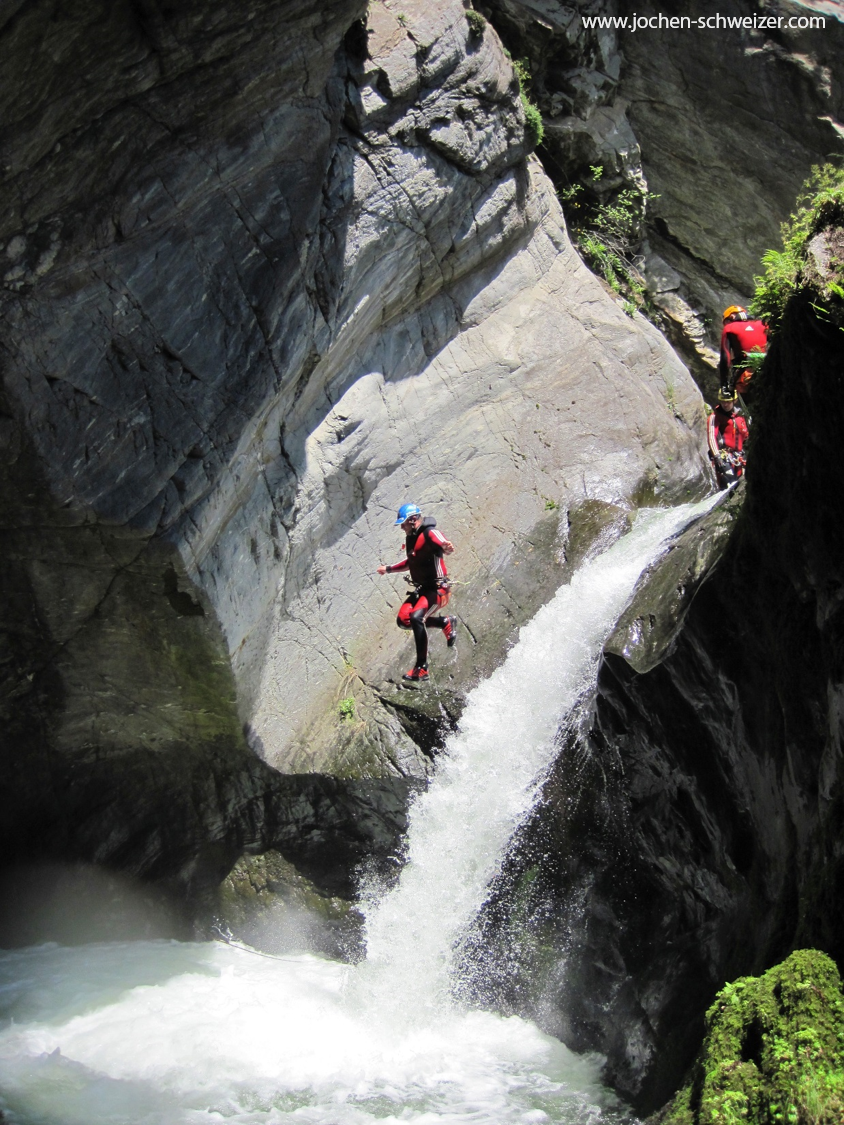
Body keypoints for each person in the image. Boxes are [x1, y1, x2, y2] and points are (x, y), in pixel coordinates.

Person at [377, 503, 457, 683]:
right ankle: (445, 622)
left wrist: (447, 548)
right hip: (423, 589)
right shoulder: (411, 538)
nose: (401, 527)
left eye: (403, 523)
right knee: (404, 620)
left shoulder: (430, 532)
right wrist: (388, 569)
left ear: (413, 520)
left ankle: (422, 668)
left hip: (438, 589)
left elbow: (443, 544)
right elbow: (411, 562)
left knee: (416, 617)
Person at [719, 305, 767, 396]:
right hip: (769, 369)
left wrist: (724, 384)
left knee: (750, 407)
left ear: (732, 316)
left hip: (746, 375)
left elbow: (725, 358)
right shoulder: (762, 324)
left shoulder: (729, 328)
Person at [707, 388, 749, 489]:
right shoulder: (715, 417)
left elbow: (746, 437)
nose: (725, 404)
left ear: (734, 401)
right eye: (723, 402)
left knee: (741, 486)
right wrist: (717, 457)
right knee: (729, 485)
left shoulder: (740, 416)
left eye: (728, 402)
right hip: (724, 458)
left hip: (739, 457)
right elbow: (711, 436)